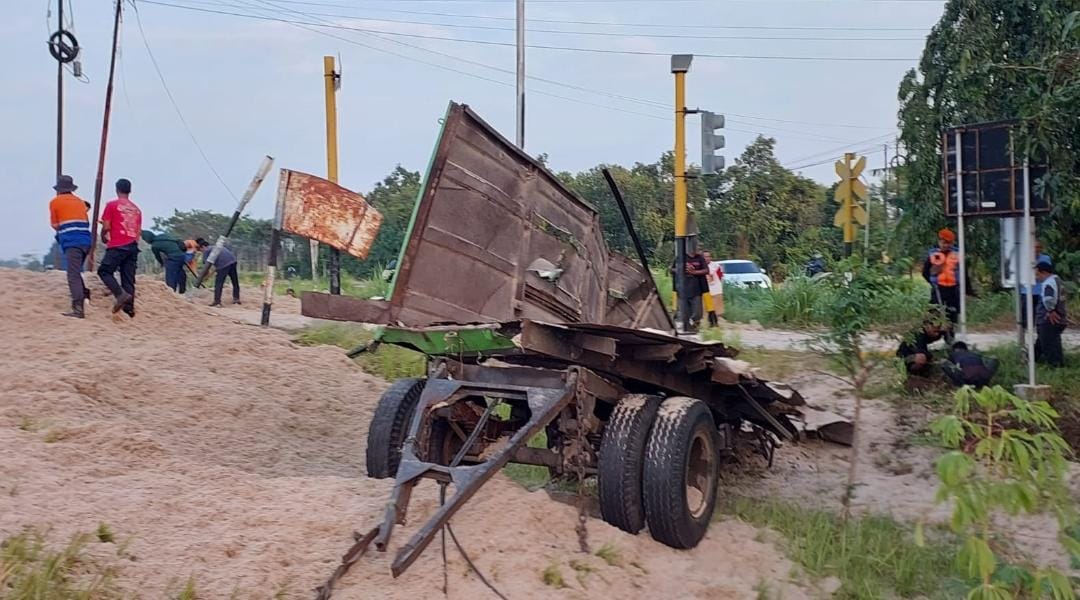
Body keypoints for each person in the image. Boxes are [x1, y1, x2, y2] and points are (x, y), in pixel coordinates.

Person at [48, 175, 92, 318]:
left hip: (71, 242)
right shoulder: (80, 202)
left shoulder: (55, 202)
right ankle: (84, 292)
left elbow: (55, 225)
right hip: (86, 241)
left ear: (59, 189)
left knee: (72, 274)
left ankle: (78, 309)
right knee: (76, 270)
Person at [97, 178, 142, 317]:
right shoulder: (137, 209)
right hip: (132, 245)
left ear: (117, 189)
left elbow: (106, 226)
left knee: (104, 271)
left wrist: (104, 235)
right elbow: (138, 232)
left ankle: (120, 294)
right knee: (128, 278)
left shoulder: (112, 205)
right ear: (130, 191)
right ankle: (129, 311)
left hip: (118, 244)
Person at [922, 228, 962, 330]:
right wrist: (932, 282)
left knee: (952, 313)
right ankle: (928, 333)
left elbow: (963, 272)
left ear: (952, 243)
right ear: (939, 242)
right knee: (933, 312)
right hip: (938, 288)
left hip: (953, 289)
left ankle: (950, 336)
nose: (945, 245)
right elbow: (925, 272)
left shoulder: (957, 255)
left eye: (948, 243)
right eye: (943, 243)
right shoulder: (933, 255)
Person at [1034, 261, 1067, 367]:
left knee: (1050, 345)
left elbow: (1048, 298)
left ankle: (1056, 366)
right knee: (1042, 342)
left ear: (1042, 272)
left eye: (1037, 274)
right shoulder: (1058, 281)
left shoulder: (1048, 283)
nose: (1036, 277)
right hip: (1059, 316)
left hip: (1049, 319)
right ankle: (1031, 361)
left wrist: (1050, 310)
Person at [1020, 240, 1053, 330]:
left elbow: (1047, 274)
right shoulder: (1024, 258)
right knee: (1025, 316)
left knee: (1040, 314)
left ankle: (1039, 332)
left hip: (1040, 291)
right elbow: (1023, 275)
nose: (1036, 249)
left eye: (1038, 247)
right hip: (1026, 291)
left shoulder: (1045, 258)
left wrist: (1034, 276)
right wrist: (1034, 276)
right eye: (1034, 247)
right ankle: (1025, 333)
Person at [199, 239, 241, 307]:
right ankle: (236, 299)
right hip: (233, 261)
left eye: (200, 249)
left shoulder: (206, 251)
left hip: (223, 264)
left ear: (203, 247)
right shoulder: (217, 246)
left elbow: (206, 266)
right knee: (235, 281)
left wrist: (203, 277)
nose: (201, 251)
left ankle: (217, 301)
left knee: (218, 283)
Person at [703, 250, 724, 326]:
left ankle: (715, 324)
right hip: (705, 290)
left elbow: (720, 276)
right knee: (706, 309)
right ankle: (709, 324)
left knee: (715, 309)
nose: (707, 258)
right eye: (705, 256)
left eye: (708, 256)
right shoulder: (700, 266)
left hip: (716, 290)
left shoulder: (716, 266)